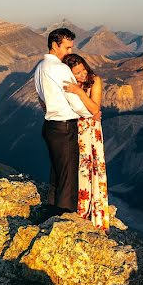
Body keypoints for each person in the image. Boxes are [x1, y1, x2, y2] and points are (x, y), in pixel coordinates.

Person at [34, 28, 92, 216]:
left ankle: (51, 211)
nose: (69, 53)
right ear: (54, 45)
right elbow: (74, 99)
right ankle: (65, 215)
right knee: (68, 174)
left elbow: (41, 97)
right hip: (64, 125)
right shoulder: (61, 68)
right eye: (67, 48)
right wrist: (89, 112)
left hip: (49, 126)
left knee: (57, 172)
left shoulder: (39, 68)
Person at [62, 53, 110, 232]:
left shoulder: (94, 80)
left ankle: (96, 213)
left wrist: (79, 92)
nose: (82, 75)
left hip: (90, 130)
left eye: (83, 70)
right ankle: (80, 208)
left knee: (94, 168)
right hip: (76, 129)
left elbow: (95, 108)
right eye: (78, 73)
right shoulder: (68, 83)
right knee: (79, 169)